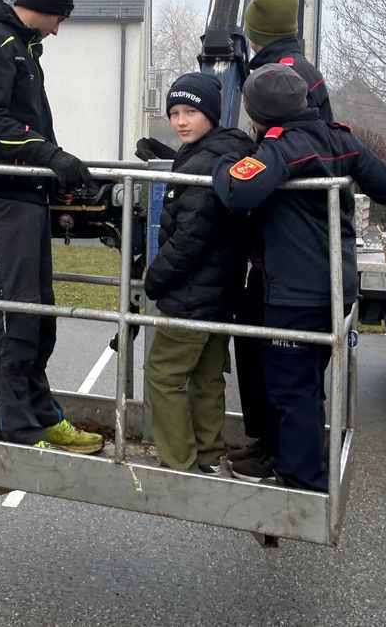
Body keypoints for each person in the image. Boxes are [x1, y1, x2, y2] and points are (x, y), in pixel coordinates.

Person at [212, 64, 386, 491]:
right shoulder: (339, 137)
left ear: (258, 115)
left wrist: (228, 156)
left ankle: (303, 483)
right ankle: (289, 457)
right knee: (306, 382)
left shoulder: (284, 147)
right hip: (337, 288)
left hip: (295, 295)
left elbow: (235, 190)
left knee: (290, 388)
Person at [0, 0, 103, 454]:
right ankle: (19, 428)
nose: (58, 30)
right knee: (15, 312)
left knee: (40, 314)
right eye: (59, 18)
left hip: (28, 194)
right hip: (3, 196)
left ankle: (43, 413)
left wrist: (54, 165)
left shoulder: (21, 46)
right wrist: (50, 156)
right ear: (43, 5)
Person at [228, 0, 335, 476]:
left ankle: (288, 461)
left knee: (283, 363)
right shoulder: (297, 71)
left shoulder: (285, 76)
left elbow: (269, 163)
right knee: (261, 351)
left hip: (286, 245)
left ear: (255, 34)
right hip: (284, 244)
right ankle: (270, 444)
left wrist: (232, 171)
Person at [143, 73, 255, 475]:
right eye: (174, 112)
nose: (180, 121)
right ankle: (207, 455)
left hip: (192, 294)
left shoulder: (205, 162)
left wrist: (154, 280)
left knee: (164, 374)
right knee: (208, 376)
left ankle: (180, 463)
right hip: (222, 293)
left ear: (210, 112)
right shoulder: (226, 152)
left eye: (190, 111)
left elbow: (190, 236)